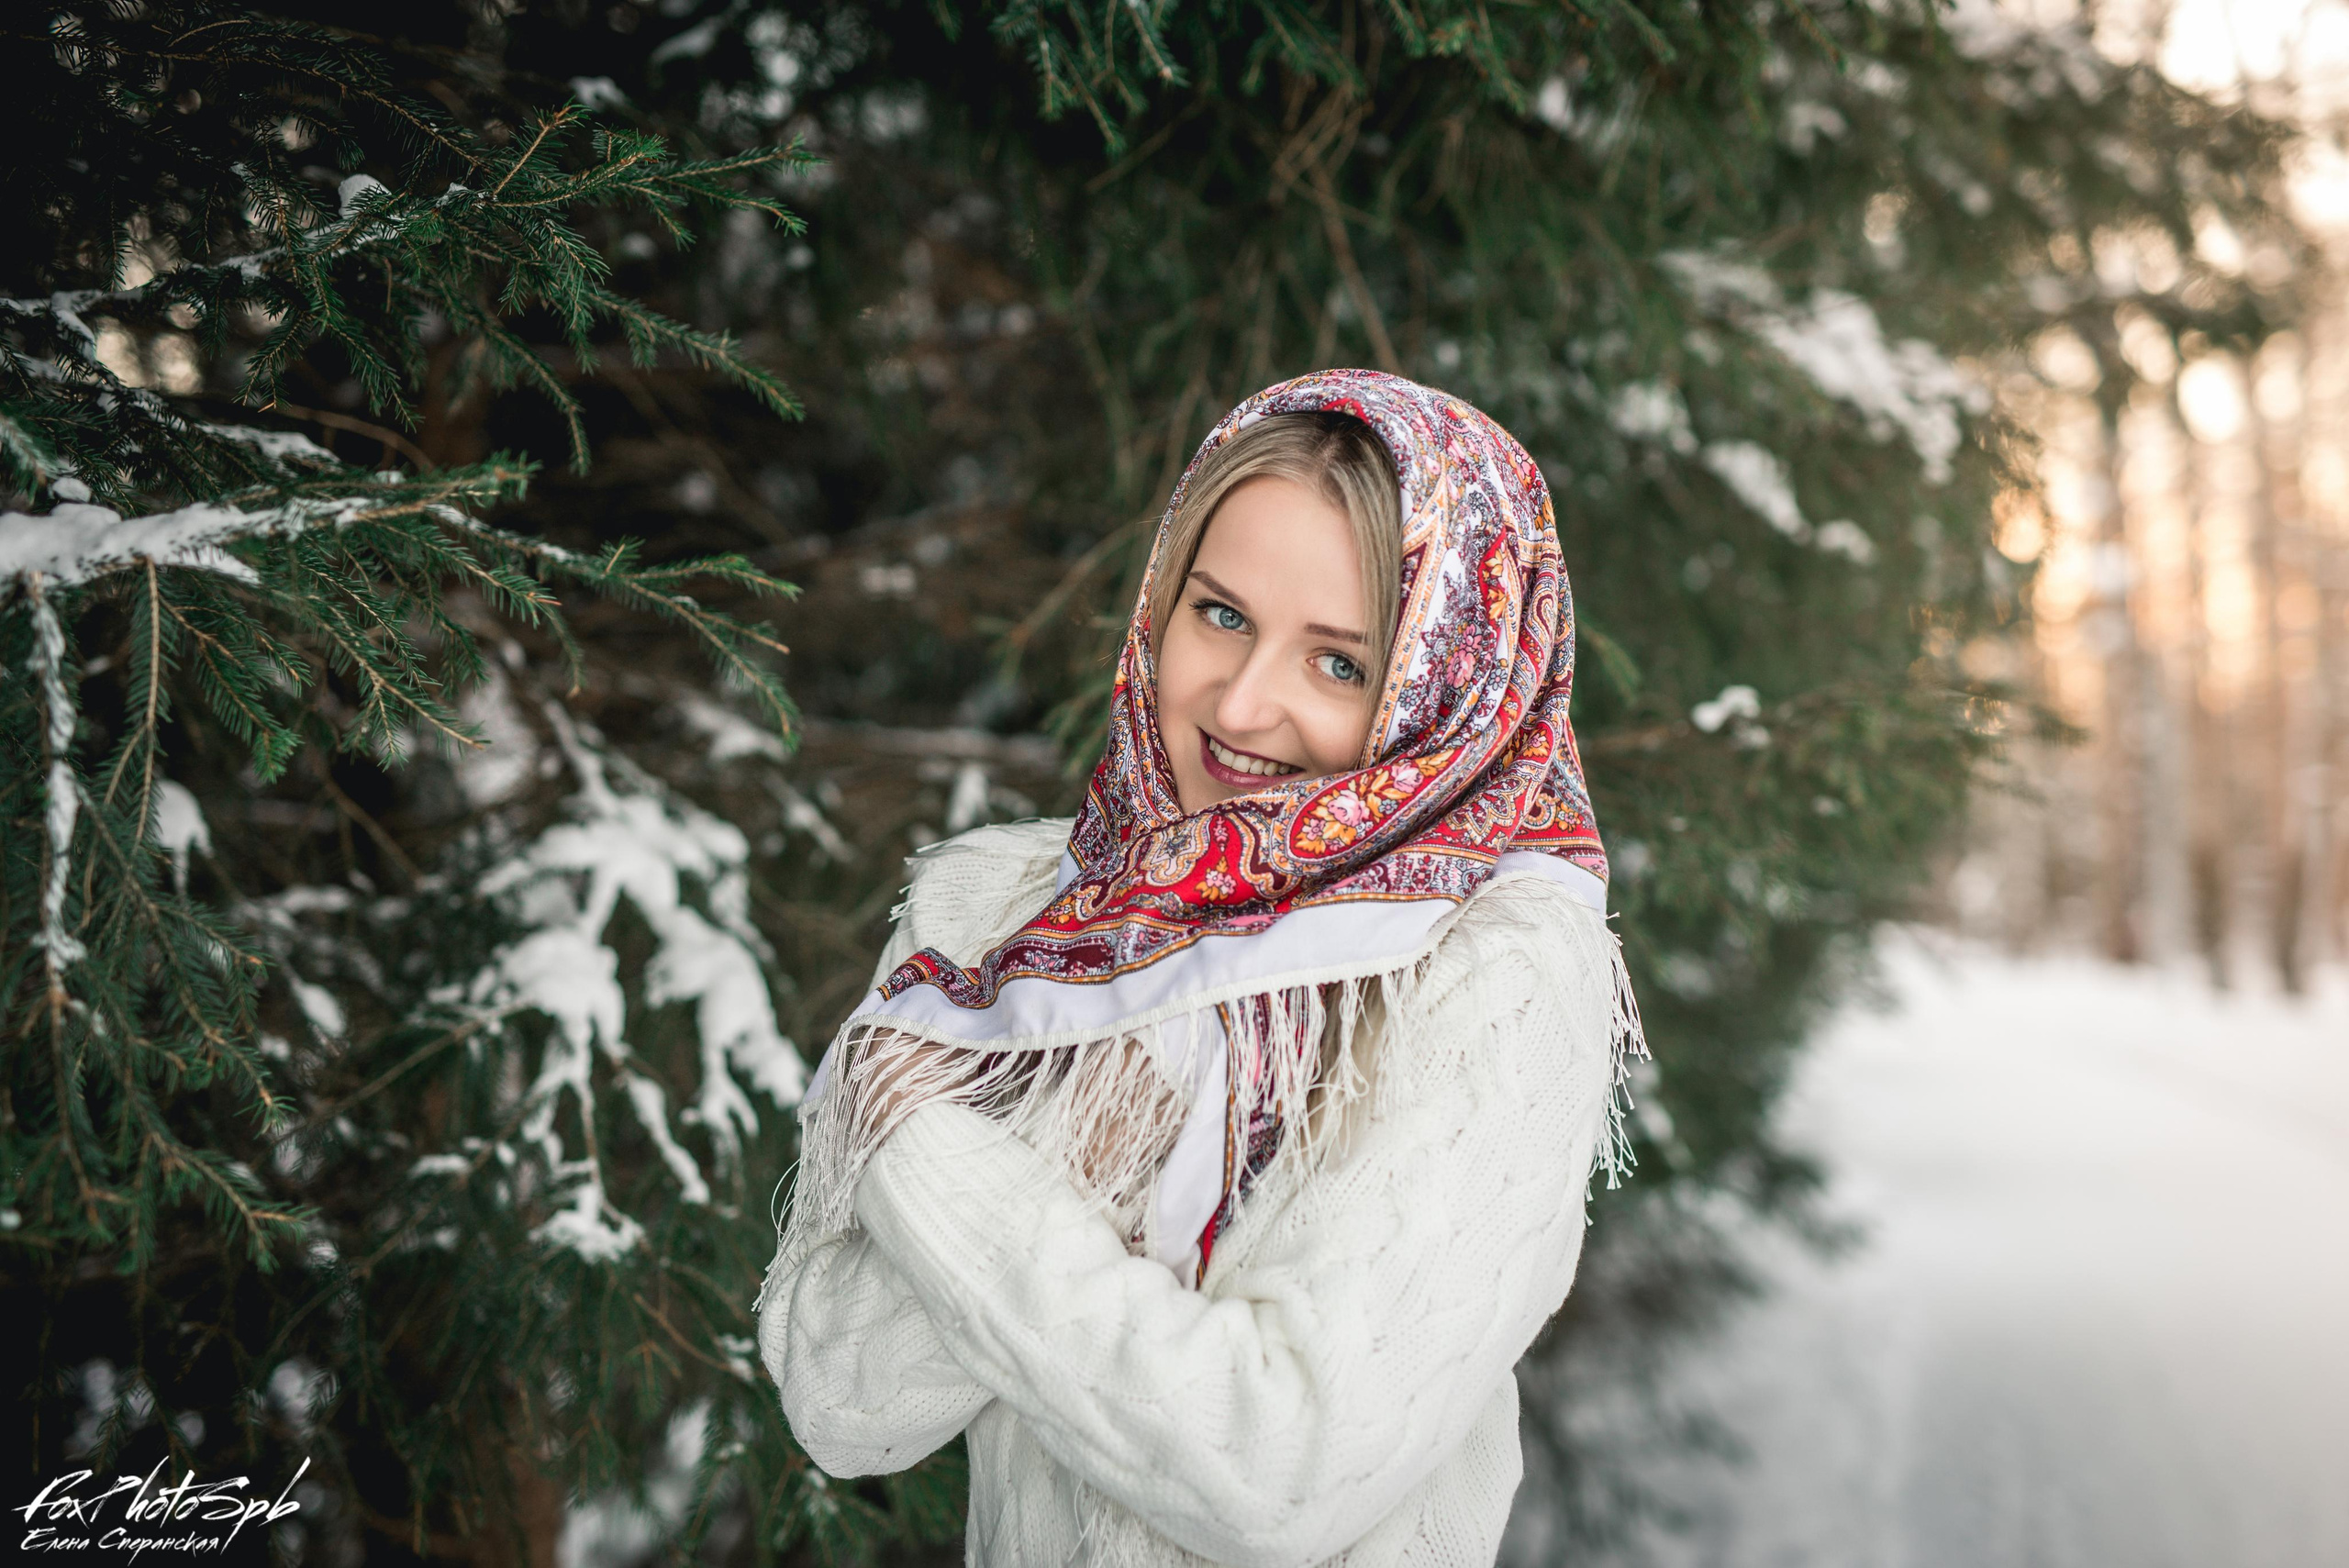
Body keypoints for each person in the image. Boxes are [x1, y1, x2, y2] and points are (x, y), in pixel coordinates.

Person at [753, 368, 1647, 1567]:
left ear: (1446, 686)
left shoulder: (1496, 969)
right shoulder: (1007, 915)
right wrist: (1083, 1135)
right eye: (1220, 613)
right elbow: (847, 1402)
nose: (1242, 703)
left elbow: (1276, 1472)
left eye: (1340, 663)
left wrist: (916, 1122)